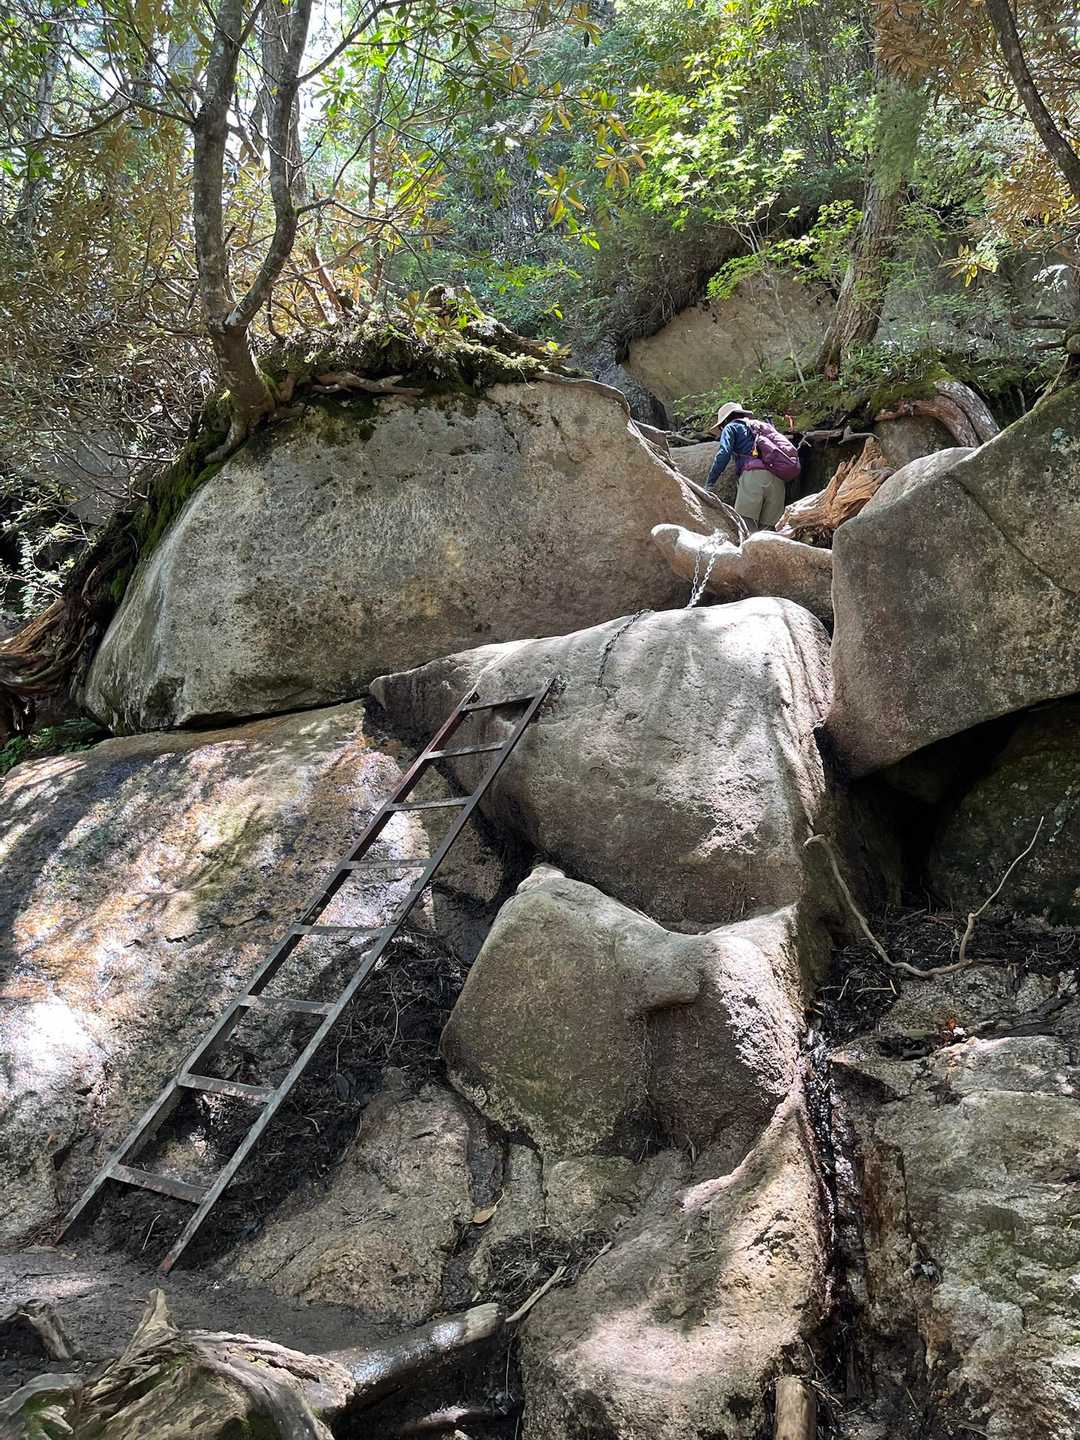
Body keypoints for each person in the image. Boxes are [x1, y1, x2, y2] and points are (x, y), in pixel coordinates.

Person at [704, 402, 791, 531]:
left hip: (753, 478)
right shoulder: (762, 426)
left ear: (726, 420)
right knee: (769, 533)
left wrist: (710, 482)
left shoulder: (731, 427)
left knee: (746, 528)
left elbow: (724, 453)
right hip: (777, 479)